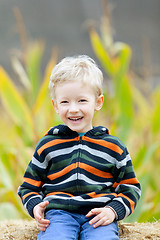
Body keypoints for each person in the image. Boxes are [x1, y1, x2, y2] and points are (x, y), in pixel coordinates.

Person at [18, 55, 141, 240]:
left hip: (98, 217)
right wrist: (36, 206)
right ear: (55, 106)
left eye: (82, 101)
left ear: (98, 102)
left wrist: (112, 211)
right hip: (58, 216)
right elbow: (28, 186)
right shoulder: (48, 145)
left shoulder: (114, 147)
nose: (73, 109)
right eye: (65, 102)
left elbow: (131, 187)